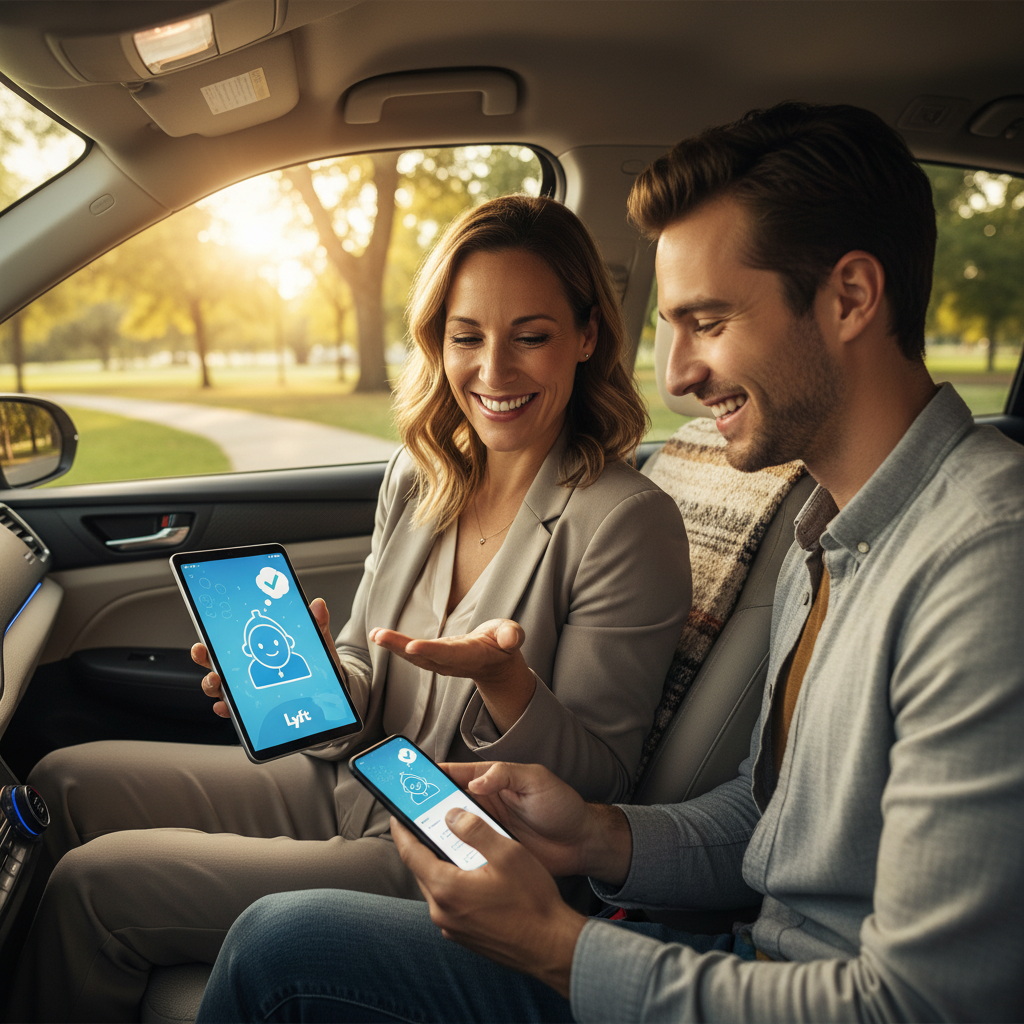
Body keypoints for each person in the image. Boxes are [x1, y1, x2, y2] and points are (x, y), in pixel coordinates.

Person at [197, 102, 1024, 1023]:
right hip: (749, 950)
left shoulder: (988, 563)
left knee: (279, 947)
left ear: (851, 298)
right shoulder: (826, 533)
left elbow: (920, 1008)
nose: (674, 375)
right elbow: (765, 824)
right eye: (670, 326)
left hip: (803, 985)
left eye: (706, 321)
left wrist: (557, 947)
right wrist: (594, 835)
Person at [10, 195, 691, 1023]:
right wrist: (324, 680)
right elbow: (372, 674)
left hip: (447, 843)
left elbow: (598, 784)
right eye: (466, 336)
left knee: (95, 885)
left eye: (532, 336)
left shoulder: (626, 521)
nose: (494, 372)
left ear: (588, 337)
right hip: (351, 776)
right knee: (62, 780)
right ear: (436, 342)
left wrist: (507, 684)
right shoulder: (422, 475)